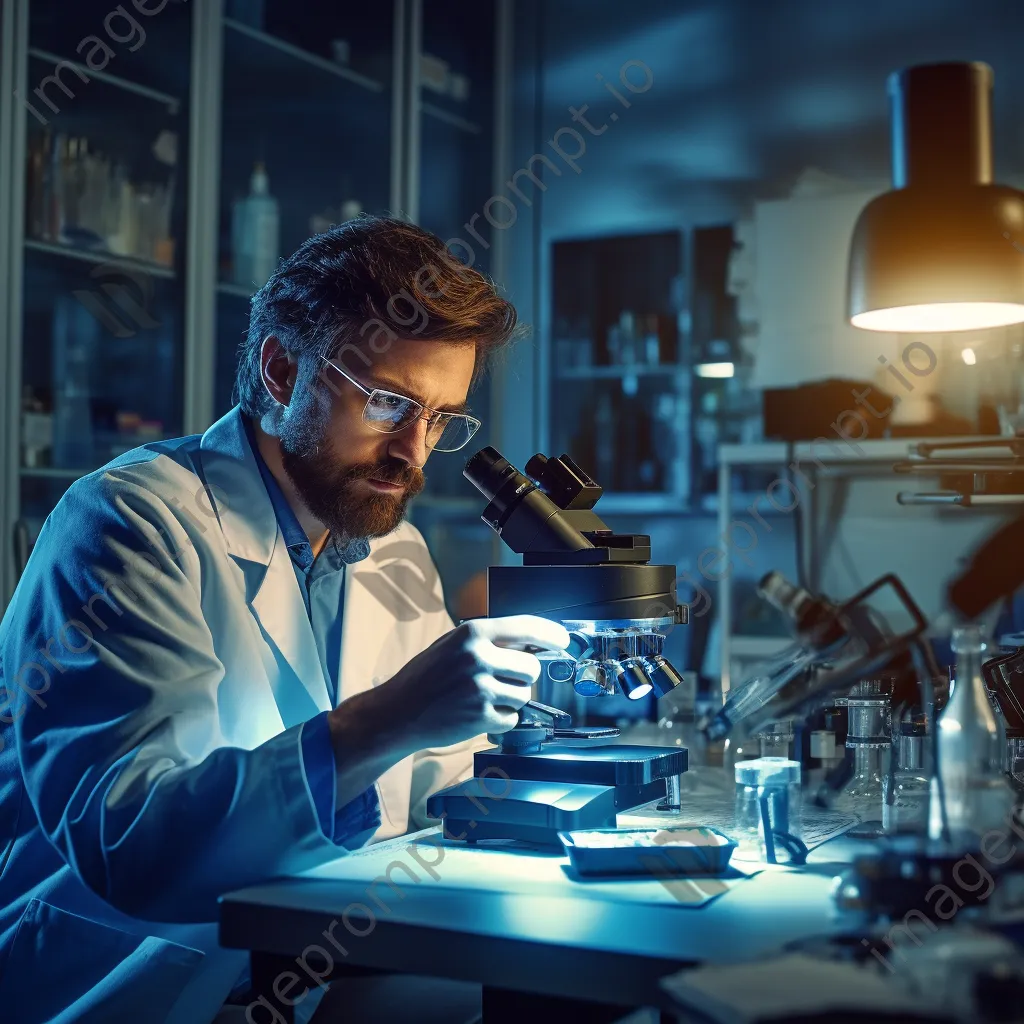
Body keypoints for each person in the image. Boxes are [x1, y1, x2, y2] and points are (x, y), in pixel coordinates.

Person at [0, 217, 570, 1024]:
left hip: (319, 968)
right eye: (388, 403)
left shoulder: (395, 549)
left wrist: (549, 783)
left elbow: (444, 785)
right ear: (279, 369)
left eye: (441, 418)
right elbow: (131, 844)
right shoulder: (130, 524)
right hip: (136, 984)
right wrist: (390, 718)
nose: (413, 452)